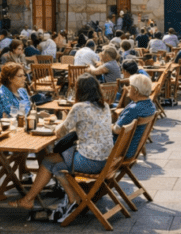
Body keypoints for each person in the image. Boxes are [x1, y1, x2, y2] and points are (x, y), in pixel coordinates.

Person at [12, 74, 112, 219]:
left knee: (48, 160)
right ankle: (72, 199)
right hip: (105, 161)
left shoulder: (79, 107)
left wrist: (60, 120)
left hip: (89, 161)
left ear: (80, 90)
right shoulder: (104, 106)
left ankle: (29, 199)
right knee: (57, 166)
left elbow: (60, 133)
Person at [113, 73, 155, 157]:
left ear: (135, 90)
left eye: (130, 86)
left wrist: (107, 126)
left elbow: (117, 130)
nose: (128, 88)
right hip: (133, 148)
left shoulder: (134, 109)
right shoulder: (150, 105)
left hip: (122, 150)